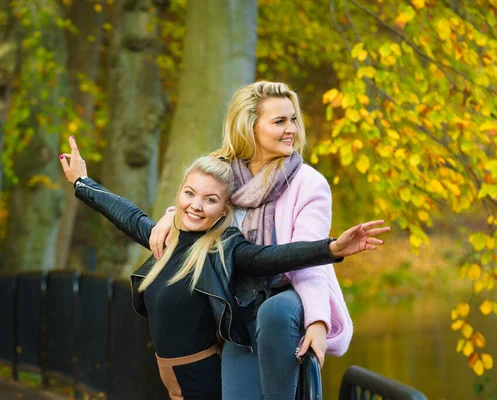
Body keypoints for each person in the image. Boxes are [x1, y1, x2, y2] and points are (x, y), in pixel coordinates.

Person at [59, 136, 390, 400]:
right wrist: (82, 182)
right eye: (190, 193)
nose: (196, 205)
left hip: (203, 382)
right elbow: (128, 215)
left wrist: (331, 248)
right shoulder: (167, 240)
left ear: (222, 210)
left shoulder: (223, 248)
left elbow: (273, 257)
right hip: (173, 380)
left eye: (210, 199)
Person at [149, 81, 354, 399]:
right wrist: (171, 215)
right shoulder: (225, 171)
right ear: (250, 127)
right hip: (241, 305)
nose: (291, 129)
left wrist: (317, 321)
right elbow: (198, 201)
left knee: (275, 312)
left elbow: (306, 260)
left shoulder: (308, 183)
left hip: (289, 291)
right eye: (279, 121)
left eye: (293, 119)